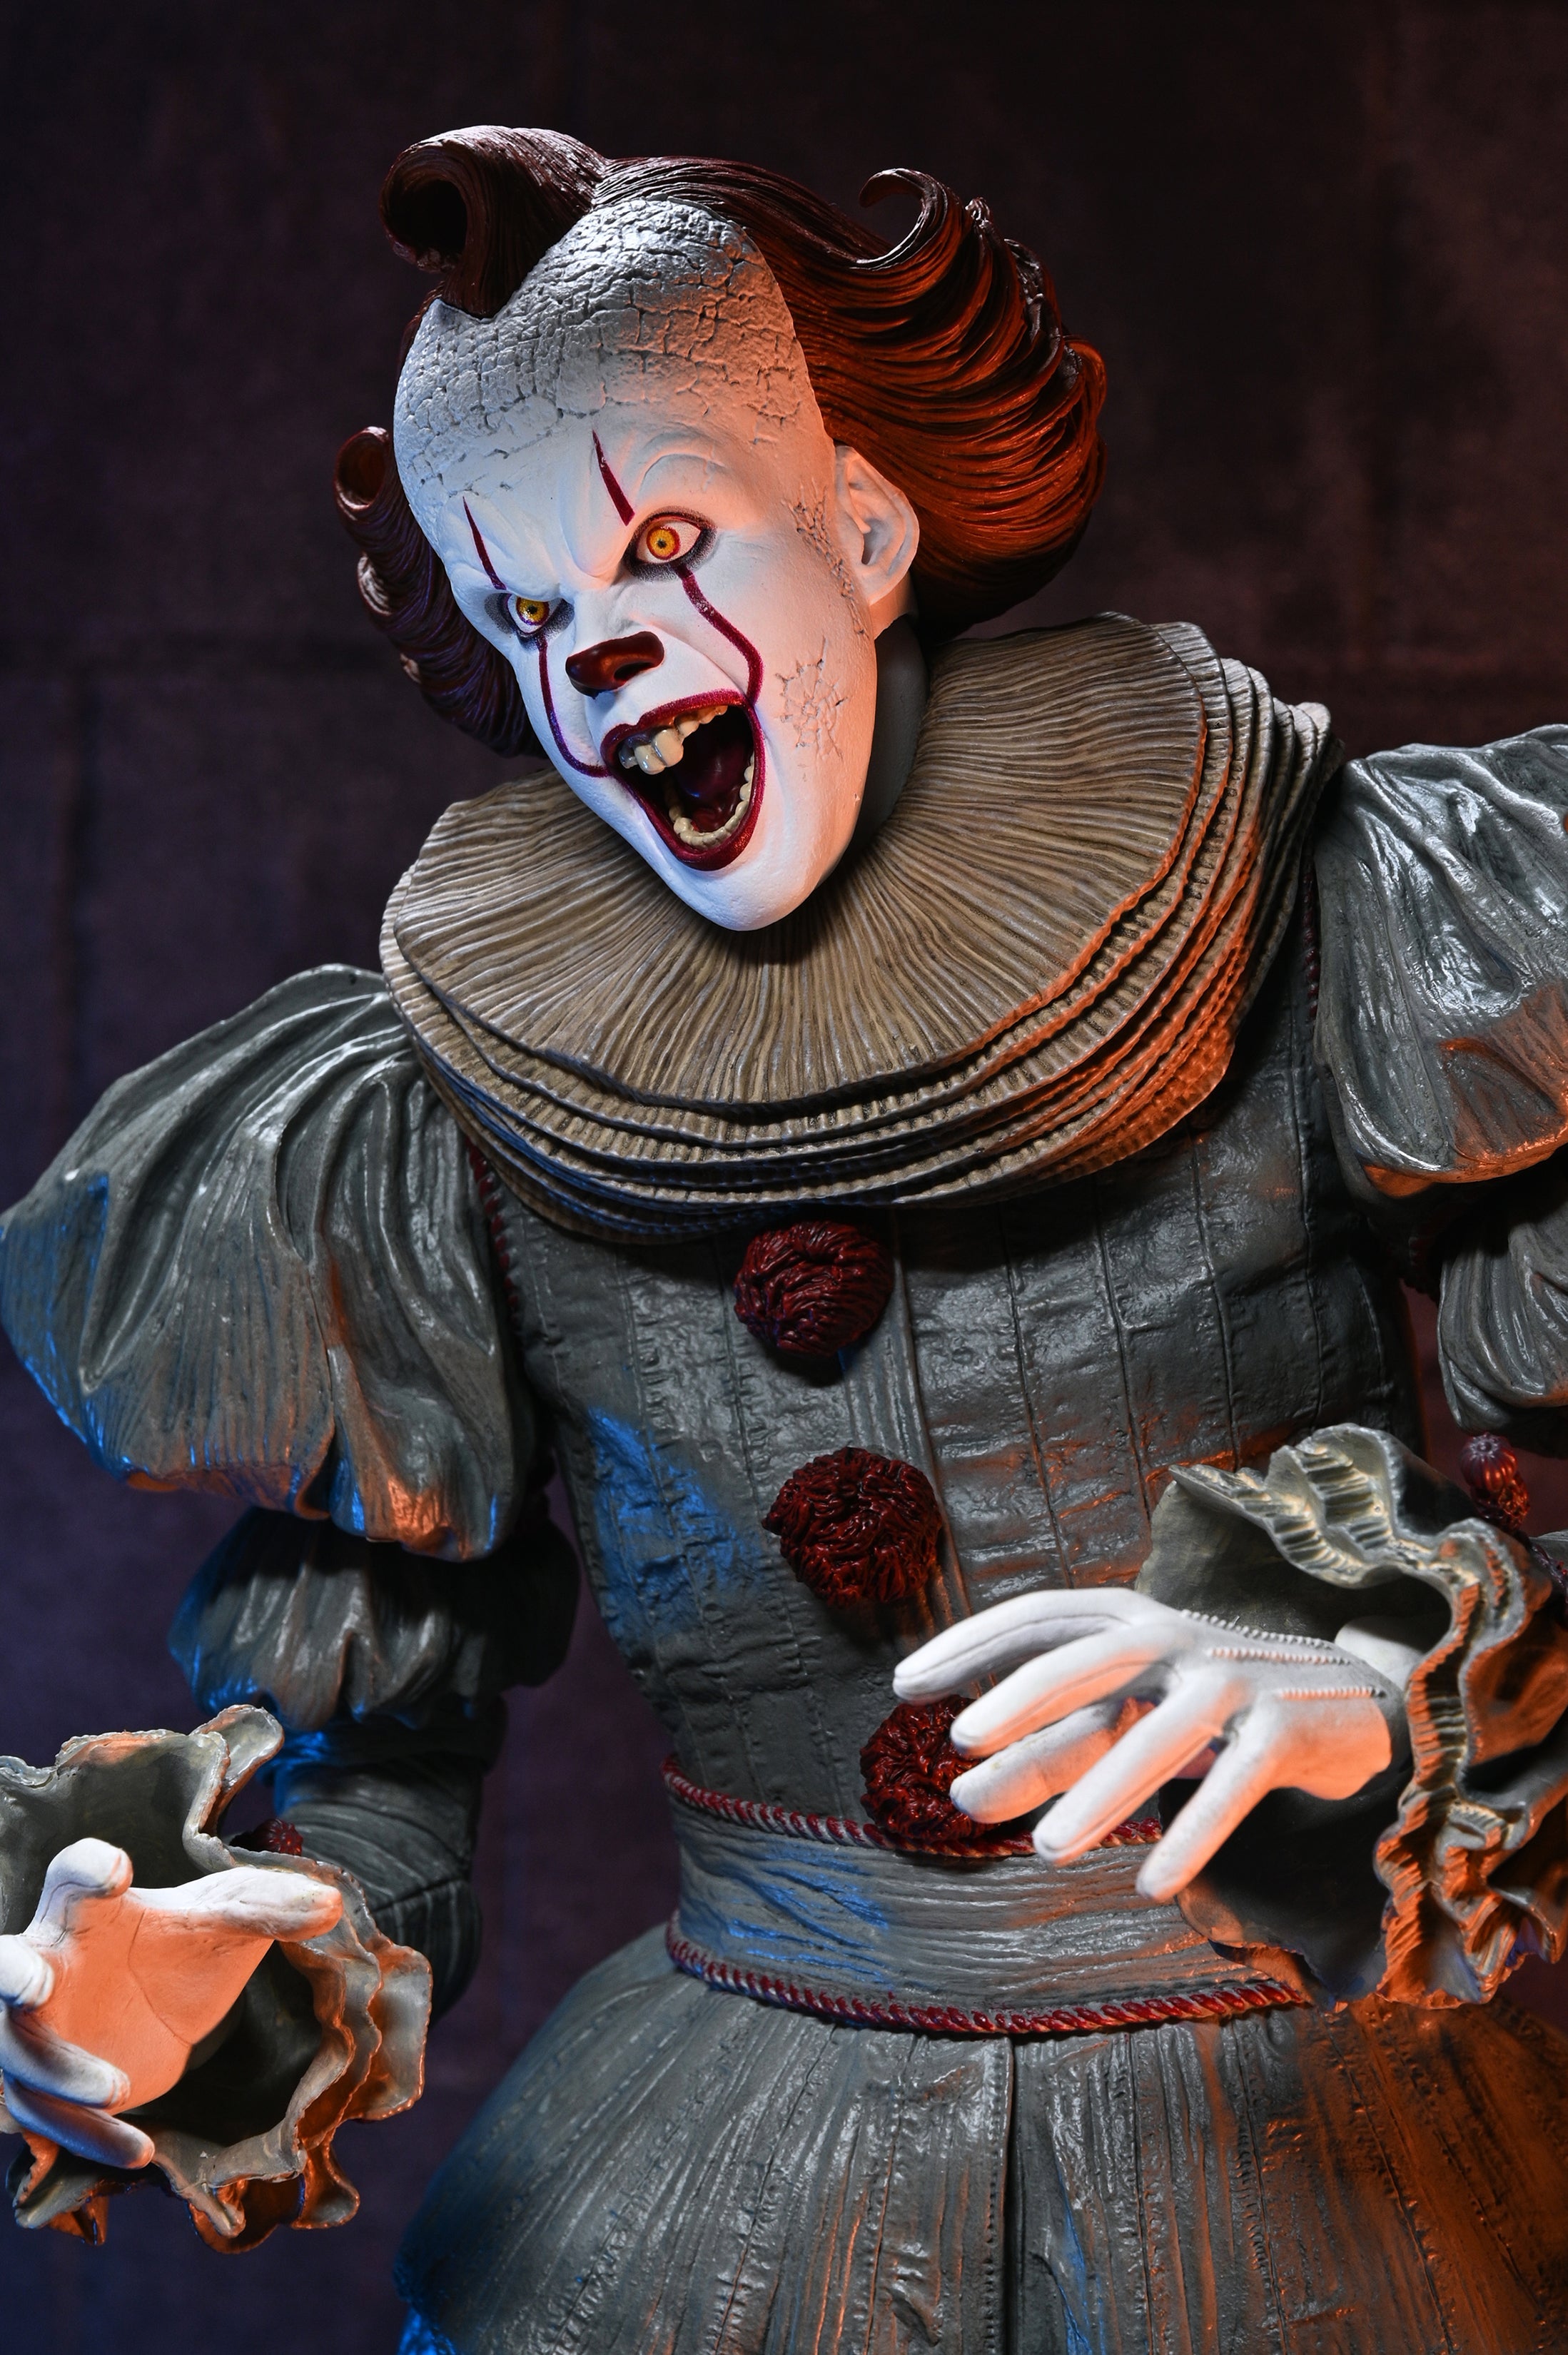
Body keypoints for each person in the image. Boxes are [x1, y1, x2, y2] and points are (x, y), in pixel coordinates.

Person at [2, 122, 1568, 2350]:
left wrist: (1393, 1698)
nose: (602, 656)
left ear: (865, 523)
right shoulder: (431, 1119)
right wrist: (200, 1995)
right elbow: (374, 1796)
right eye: (532, 608)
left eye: (662, 543)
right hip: (728, 2175)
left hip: (1319, 2171)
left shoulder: (1336, 924)